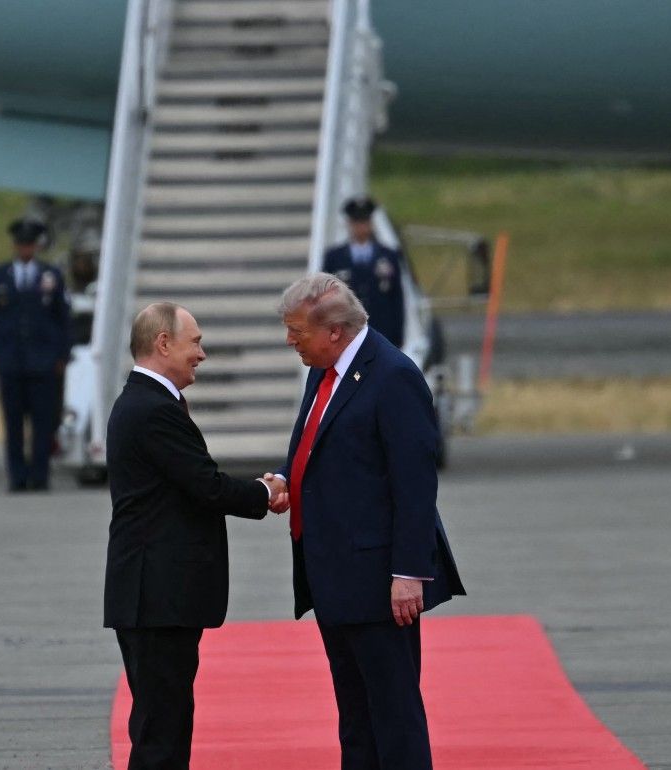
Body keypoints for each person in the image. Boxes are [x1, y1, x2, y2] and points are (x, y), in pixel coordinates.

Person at [268, 273, 464, 770]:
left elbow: (415, 484)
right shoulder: (324, 368)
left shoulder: (393, 375)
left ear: (334, 330)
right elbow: (332, 455)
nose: (290, 341)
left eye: (297, 332)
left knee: (393, 716)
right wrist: (291, 482)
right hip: (334, 578)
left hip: (380, 584)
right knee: (355, 719)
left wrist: (408, 574)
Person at [104, 302, 286, 770]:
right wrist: (265, 492)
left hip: (156, 597)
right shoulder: (152, 410)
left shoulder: (148, 403)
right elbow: (205, 484)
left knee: (162, 724)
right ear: (164, 343)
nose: (202, 354)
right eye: (196, 342)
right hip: (157, 598)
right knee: (161, 733)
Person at [0, 217, 71, 492]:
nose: (25, 249)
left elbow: (63, 318)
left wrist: (62, 355)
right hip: (10, 359)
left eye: (29, 244)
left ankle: (40, 475)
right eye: (21, 244)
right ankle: (17, 476)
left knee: (43, 422)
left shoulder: (50, 276)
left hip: (43, 360)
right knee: (14, 422)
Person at [321, 196, 406, 348]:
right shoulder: (334, 258)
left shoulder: (388, 256)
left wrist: (397, 338)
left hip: (381, 334)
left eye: (364, 221)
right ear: (349, 224)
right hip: (346, 336)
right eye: (356, 222)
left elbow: (396, 299)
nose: (361, 226)